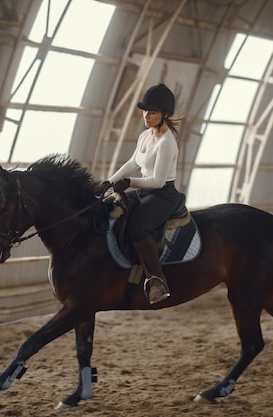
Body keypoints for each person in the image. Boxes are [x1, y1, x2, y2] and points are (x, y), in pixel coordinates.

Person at [100, 84, 182, 304]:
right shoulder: (145, 135)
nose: (146, 115)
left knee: (137, 226)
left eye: (152, 112)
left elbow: (158, 181)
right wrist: (110, 182)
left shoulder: (167, 143)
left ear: (165, 115)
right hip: (144, 190)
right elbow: (132, 163)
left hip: (163, 195)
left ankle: (157, 280)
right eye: (145, 111)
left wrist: (129, 183)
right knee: (109, 207)